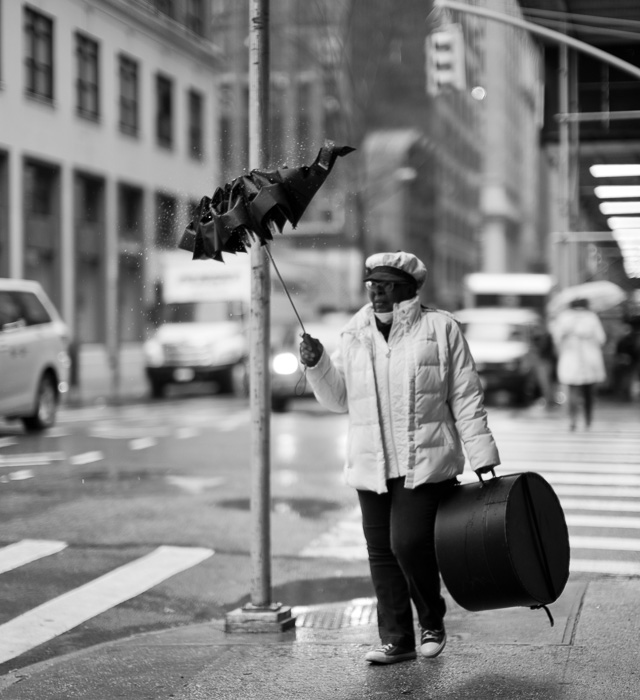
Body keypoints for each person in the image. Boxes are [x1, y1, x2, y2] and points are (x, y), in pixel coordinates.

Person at [299, 251, 501, 665]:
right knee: (382, 555)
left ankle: (431, 620)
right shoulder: (355, 332)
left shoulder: (441, 329)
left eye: (387, 285)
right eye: (372, 285)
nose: (377, 293)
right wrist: (317, 364)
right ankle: (396, 639)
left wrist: (482, 455)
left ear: (410, 289)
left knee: (407, 544)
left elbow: (465, 396)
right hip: (371, 463)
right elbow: (340, 399)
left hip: (424, 462)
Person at [551, 297, 606, 430]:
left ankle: (572, 419)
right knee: (588, 393)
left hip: (570, 360)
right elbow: (601, 338)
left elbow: (556, 338)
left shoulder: (564, 318)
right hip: (589, 360)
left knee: (572, 392)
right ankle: (588, 420)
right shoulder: (591, 317)